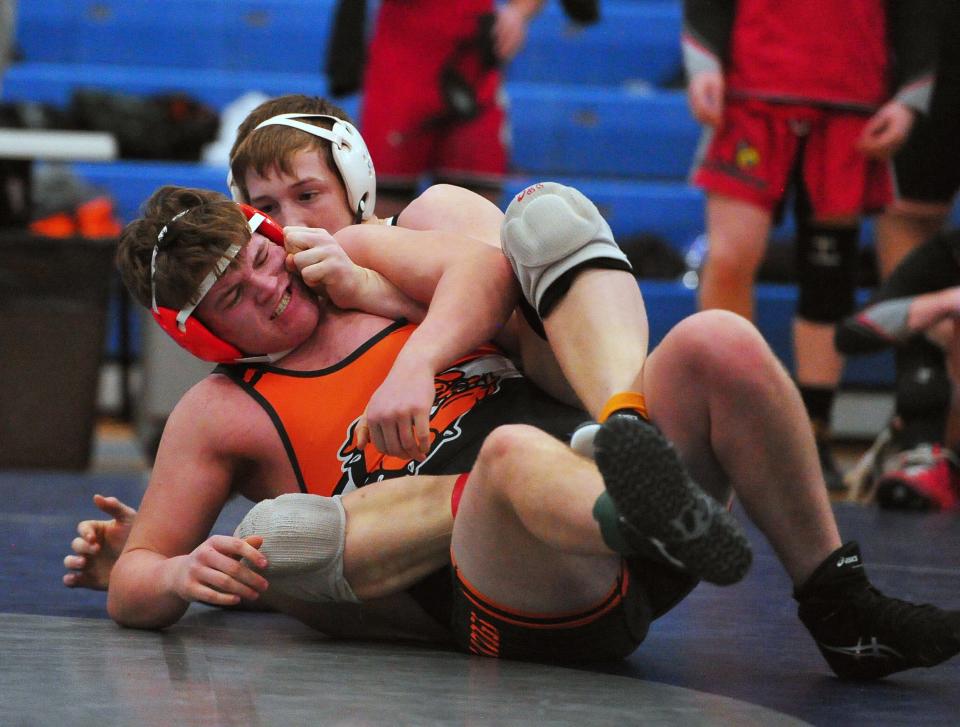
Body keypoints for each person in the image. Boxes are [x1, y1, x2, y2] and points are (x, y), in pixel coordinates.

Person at [64, 175, 960, 677]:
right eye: (237, 299)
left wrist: (412, 353)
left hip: (590, 474)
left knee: (719, 339)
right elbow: (132, 584)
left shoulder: (356, 256)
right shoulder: (222, 410)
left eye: (263, 259)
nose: (270, 288)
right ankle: (636, 505)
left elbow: (492, 275)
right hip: (517, 583)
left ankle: (837, 601)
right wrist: (177, 565)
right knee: (506, 457)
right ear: (201, 332)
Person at [682, 0, 937, 492]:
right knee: (731, 257)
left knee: (829, 273)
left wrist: (909, 98)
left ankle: (813, 432)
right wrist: (703, 64)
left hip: (849, 95)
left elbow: (920, 12)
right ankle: (731, 420)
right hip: (751, 90)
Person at [865, 0, 960, 502]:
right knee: (911, 238)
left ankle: (929, 444)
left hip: (922, 52)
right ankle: (925, 440)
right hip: (923, 53)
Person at [357, 0, 544, 219]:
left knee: (476, 213)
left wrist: (518, 12)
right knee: (383, 213)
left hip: (473, 69)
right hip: (401, 66)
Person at [837, 228, 960, 512]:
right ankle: (927, 453)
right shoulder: (947, 251)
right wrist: (940, 304)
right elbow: (852, 332)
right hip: (948, 404)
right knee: (923, 319)